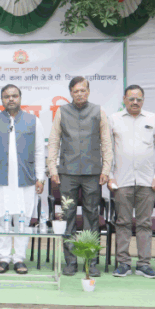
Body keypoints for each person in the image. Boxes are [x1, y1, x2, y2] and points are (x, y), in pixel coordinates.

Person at [46, 76, 113, 277]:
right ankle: (71, 262)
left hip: (93, 173)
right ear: (71, 93)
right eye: (76, 91)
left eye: (83, 90)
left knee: (92, 217)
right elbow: (54, 141)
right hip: (68, 173)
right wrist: (53, 169)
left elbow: (106, 143)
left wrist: (106, 170)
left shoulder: (99, 111)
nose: (80, 94)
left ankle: (91, 262)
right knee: (68, 216)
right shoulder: (62, 112)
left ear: (88, 91)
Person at [0, 85, 45, 274]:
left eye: (14, 96)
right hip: (1, 179)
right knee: (2, 217)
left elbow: (41, 151)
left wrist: (40, 177)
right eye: (7, 96)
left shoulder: (33, 121)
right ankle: (4, 258)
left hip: (26, 179)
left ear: (20, 98)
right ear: (2, 99)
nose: (11, 99)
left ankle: (19, 259)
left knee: (23, 219)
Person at [108, 85, 155, 279]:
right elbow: (107, 151)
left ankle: (144, 264)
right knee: (123, 222)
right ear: (124, 99)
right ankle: (123, 263)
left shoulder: (153, 119)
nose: (135, 102)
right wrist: (109, 176)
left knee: (144, 223)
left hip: (147, 181)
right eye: (131, 98)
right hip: (121, 180)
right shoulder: (114, 119)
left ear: (143, 100)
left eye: (139, 99)